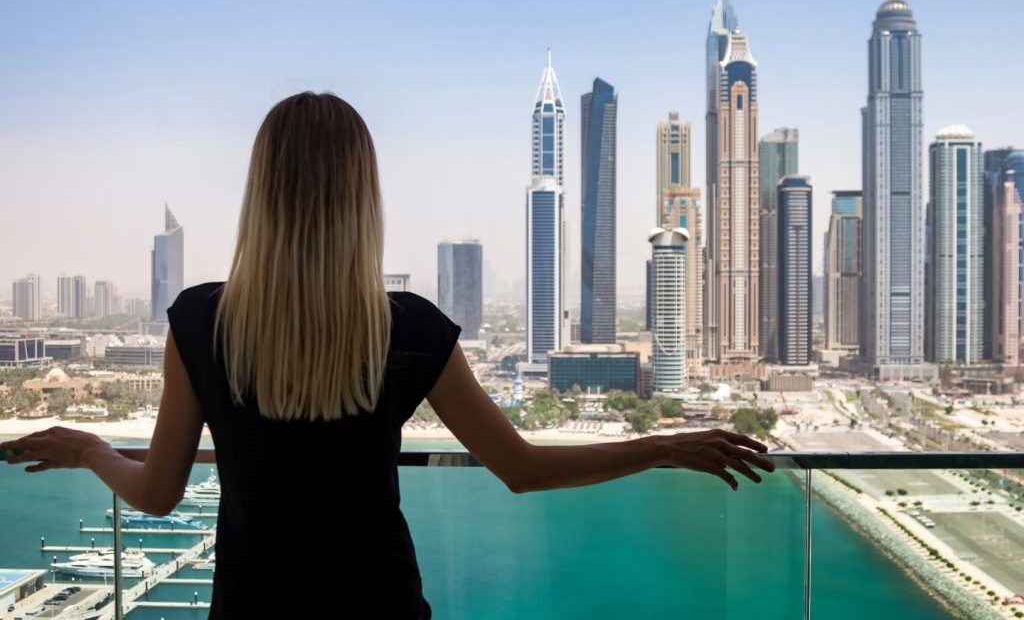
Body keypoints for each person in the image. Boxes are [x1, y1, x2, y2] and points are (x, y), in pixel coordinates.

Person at [2, 92, 774, 618]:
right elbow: (522, 468)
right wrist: (664, 447)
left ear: (260, 192)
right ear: (361, 194)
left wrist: (94, 450)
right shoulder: (406, 329)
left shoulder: (201, 320)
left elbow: (160, 492)